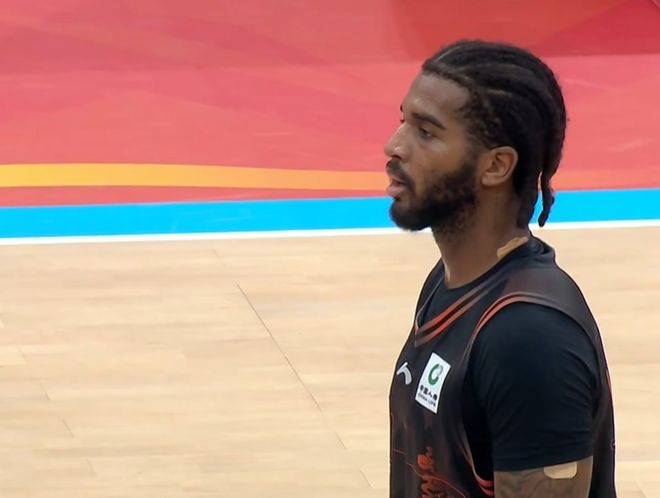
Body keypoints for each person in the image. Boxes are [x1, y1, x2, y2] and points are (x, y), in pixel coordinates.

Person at [385, 40, 616, 498]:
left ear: (495, 166)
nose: (394, 147)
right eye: (402, 121)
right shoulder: (450, 281)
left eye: (425, 132)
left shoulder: (528, 338)